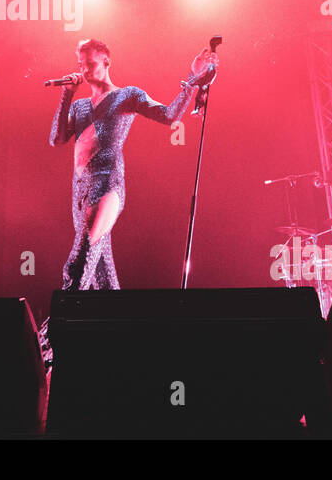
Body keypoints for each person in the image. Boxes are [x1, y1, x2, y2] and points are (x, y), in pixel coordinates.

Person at [48, 39, 218, 292]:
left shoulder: (126, 95)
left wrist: (192, 79)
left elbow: (169, 115)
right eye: (80, 65)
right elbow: (56, 139)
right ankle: (116, 326)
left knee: (79, 261)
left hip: (107, 187)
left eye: (90, 64)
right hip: (80, 192)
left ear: (106, 62)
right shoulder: (79, 106)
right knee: (102, 278)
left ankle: (59, 325)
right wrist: (67, 94)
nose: (84, 70)